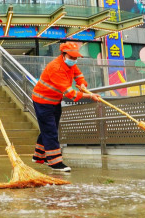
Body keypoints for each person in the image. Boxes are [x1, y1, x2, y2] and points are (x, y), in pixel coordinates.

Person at [31, 42, 101, 172]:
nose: (74, 60)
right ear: (63, 55)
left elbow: (78, 75)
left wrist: (83, 84)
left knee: (49, 128)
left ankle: (39, 156)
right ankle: (55, 162)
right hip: (42, 101)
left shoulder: (70, 64)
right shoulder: (56, 67)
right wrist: (90, 96)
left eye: (75, 57)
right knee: (50, 130)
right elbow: (70, 93)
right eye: (71, 57)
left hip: (55, 101)